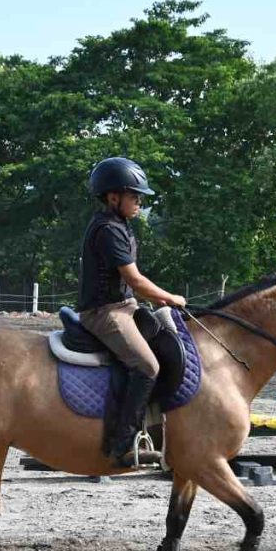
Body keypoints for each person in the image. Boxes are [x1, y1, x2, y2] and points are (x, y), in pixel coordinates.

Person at [77, 157, 187, 467]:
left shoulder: (120, 224)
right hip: (104, 312)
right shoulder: (108, 229)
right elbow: (135, 280)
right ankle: (122, 445)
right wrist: (170, 297)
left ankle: (156, 433)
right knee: (147, 365)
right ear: (114, 197)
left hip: (125, 307)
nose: (139, 201)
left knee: (167, 342)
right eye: (133, 195)